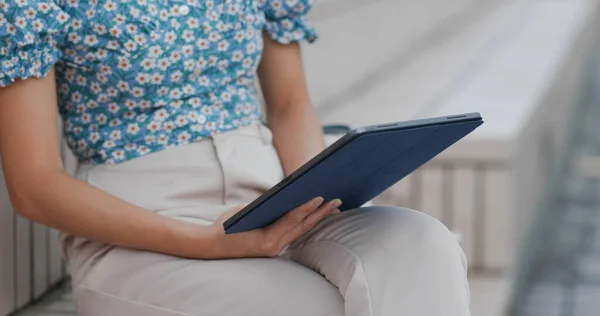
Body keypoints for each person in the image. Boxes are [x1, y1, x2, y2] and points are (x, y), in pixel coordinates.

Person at [0, 0, 470, 315]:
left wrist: (321, 193)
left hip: (268, 201)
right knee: (312, 307)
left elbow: (288, 107)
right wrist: (202, 241)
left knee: (424, 246)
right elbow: (34, 185)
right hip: (140, 228)